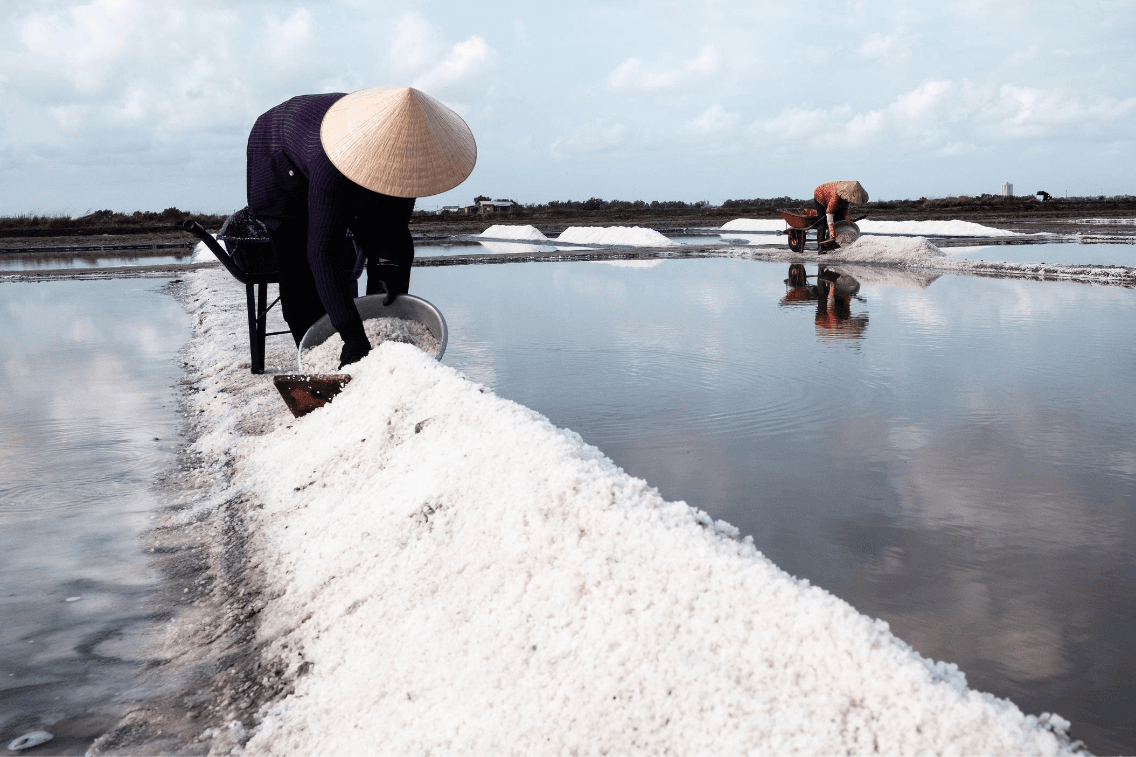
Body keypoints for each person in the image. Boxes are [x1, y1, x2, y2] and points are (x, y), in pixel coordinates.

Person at [246, 87, 476, 368]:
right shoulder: (331, 158)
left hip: (332, 151)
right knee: (300, 272)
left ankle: (382, 337)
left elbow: (394, 231)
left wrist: (388, 269)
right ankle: (318, 361)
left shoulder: (410, 160)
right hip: (278, 161)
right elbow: (322, 250)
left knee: (391, 250)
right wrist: (353, 335)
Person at [813, 181, 868, 250]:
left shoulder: (847, 196)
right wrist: (832, 231)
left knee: (840, 219)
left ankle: (837, 241)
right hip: (820, 195)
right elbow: (829, 212)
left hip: (831, 196)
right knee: (823, 221)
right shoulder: (835, 197)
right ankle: (821, 246)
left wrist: (848, 220)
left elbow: (845, 209)